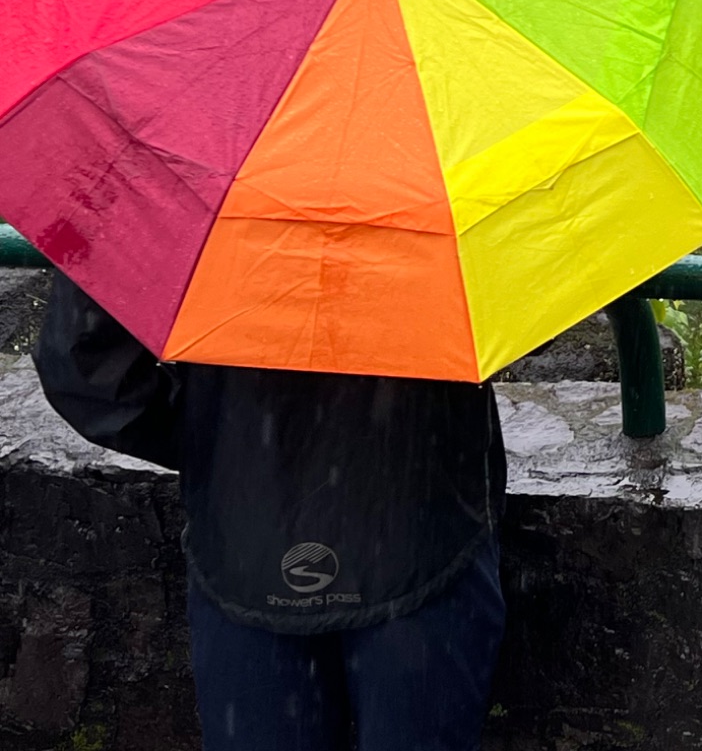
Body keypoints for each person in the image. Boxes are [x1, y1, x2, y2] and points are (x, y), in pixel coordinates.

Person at [34, 273, 506, 750]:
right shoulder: (444, 197)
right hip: (421, 524)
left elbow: (83, 366)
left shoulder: (177, 195)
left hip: (247, 542)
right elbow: (521, 308)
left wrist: (219, 444)